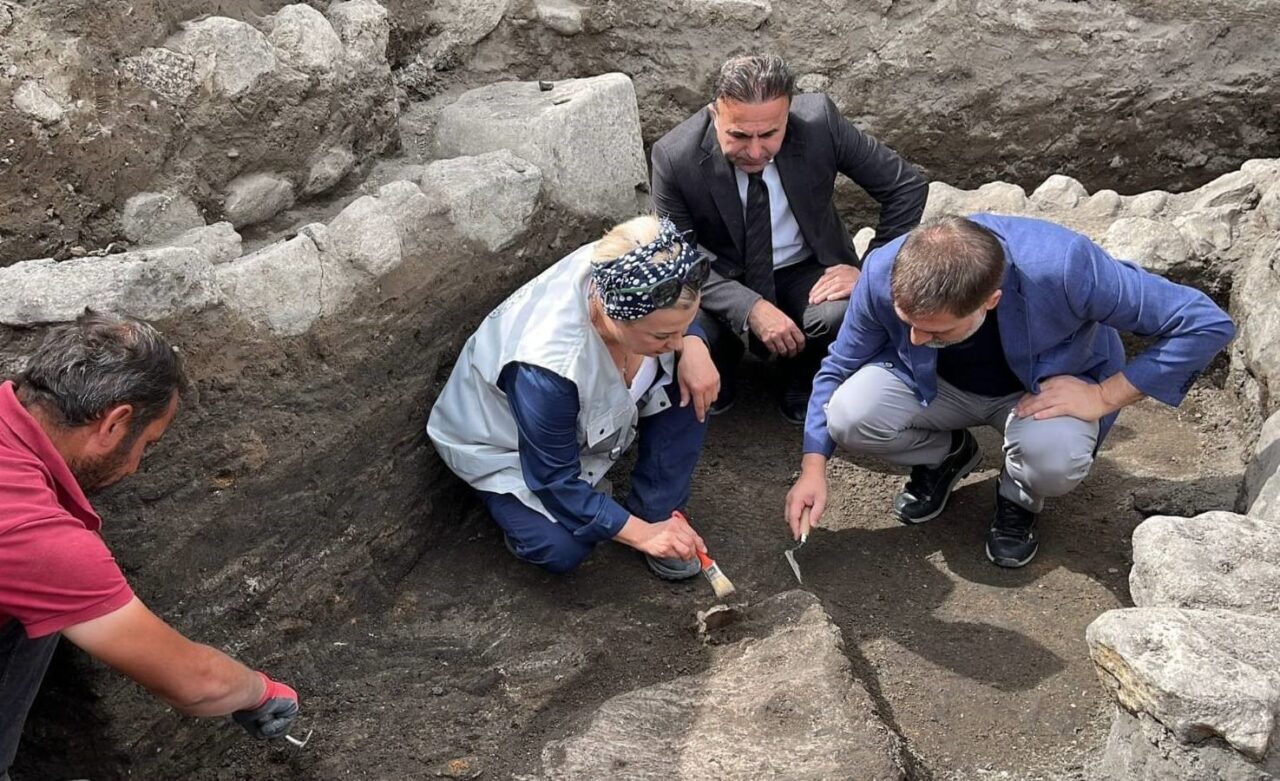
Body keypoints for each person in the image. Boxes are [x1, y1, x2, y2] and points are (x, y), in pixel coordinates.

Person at [785, 215, 1235, 567]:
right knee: (847, 415)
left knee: (1055, 462)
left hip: (1040, 394)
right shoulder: (885, 268)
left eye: (935, 330)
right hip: (933, 385)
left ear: (990, 300)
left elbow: (1205, 322)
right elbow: (839, 366)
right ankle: (947, 455)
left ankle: (1018, 494)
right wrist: (812, 465)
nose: (916, 338)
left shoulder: (1064, 265)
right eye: (909, 326)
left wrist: (1104, 397)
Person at [1, 312, 299, 780]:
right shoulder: (36, 535)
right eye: (150, 443)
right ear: (116, 422)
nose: (138, 465)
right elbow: (194, 683)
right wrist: (261, 690)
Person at [428, 215, 721, 578]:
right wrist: (641, 537)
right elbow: (553, 479)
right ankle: (515, 507)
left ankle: (657, 509)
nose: (673, 345)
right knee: (559, 548)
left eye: (680, 329)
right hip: (508, 448)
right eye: (663, 336)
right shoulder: (547, 369)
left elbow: (676, 318)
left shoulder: (630, 261)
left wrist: (694, 343)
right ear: (617, 317)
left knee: (694, 379)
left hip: (576, 415)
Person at [651, 54, 928, 423]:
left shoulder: (820, 122)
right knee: (684, 319)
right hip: (720, 274)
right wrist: (750, 307)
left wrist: (870, 269)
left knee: (840, 313)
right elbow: (677, 256)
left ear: (788, 115)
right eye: (738, 135)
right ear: (715, 114)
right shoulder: (674, 156)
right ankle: (724, 365)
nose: (754, 151)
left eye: (769, 134)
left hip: (805, 267)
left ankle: (802, 374)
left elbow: (905, 187)